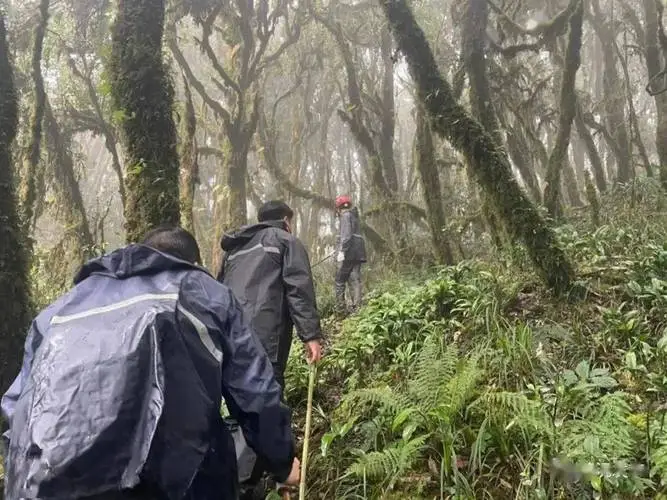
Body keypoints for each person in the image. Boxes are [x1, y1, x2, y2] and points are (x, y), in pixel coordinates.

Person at [1, 225, 299, 500]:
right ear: (194, 264)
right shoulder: (202, 293)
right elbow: (255, 393)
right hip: (169, 484)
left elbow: (16, 410)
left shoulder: (56, 313)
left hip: (45, 484)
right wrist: (282, 462)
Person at [217, 200, 322, 499]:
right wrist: (311, 335)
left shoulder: (234, 250)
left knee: (238, 406)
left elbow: (216, 292)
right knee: (264, 400)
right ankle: (251, 484)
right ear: (286, 220)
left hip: (228, 338)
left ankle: (255, 477)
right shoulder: (286, 241)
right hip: (266, 338)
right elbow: (298, 289)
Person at [334, 195, 367, 314]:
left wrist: (342, 251)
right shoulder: (354, 216)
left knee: (340, 281)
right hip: (358, 253)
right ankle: (357, 308)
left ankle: (340, 309)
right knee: (355, 279)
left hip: (349, 253)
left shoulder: (345, 216)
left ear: (338, 208)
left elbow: (347, 236)